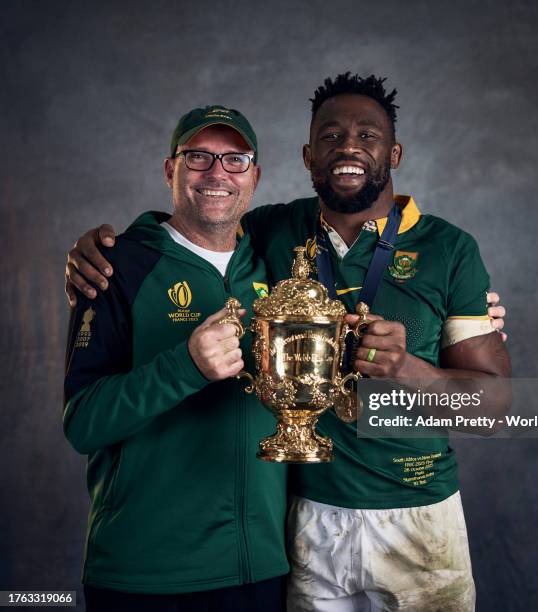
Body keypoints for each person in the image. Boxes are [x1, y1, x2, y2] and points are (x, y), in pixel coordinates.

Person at [65, 74, 510, 612]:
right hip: (305, 517)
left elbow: (494, 409)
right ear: (307, 156)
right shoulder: (273, 232)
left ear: (394, 151)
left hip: (418, 514)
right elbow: (196, 230)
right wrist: (93, 251)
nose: (348, 147)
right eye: (330, 136)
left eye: (368, 136)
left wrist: (411, 370)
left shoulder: (450, 248)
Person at [64, 106, 289, 612]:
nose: (217, 173)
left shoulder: (275, 266)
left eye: (235, 160)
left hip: (262, 569)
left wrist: (472, 312)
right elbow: (82, 424)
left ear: (255, 176)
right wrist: (183, 367)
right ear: (171, 169)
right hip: (148, 575)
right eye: (198, 157)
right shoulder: (115, 267)